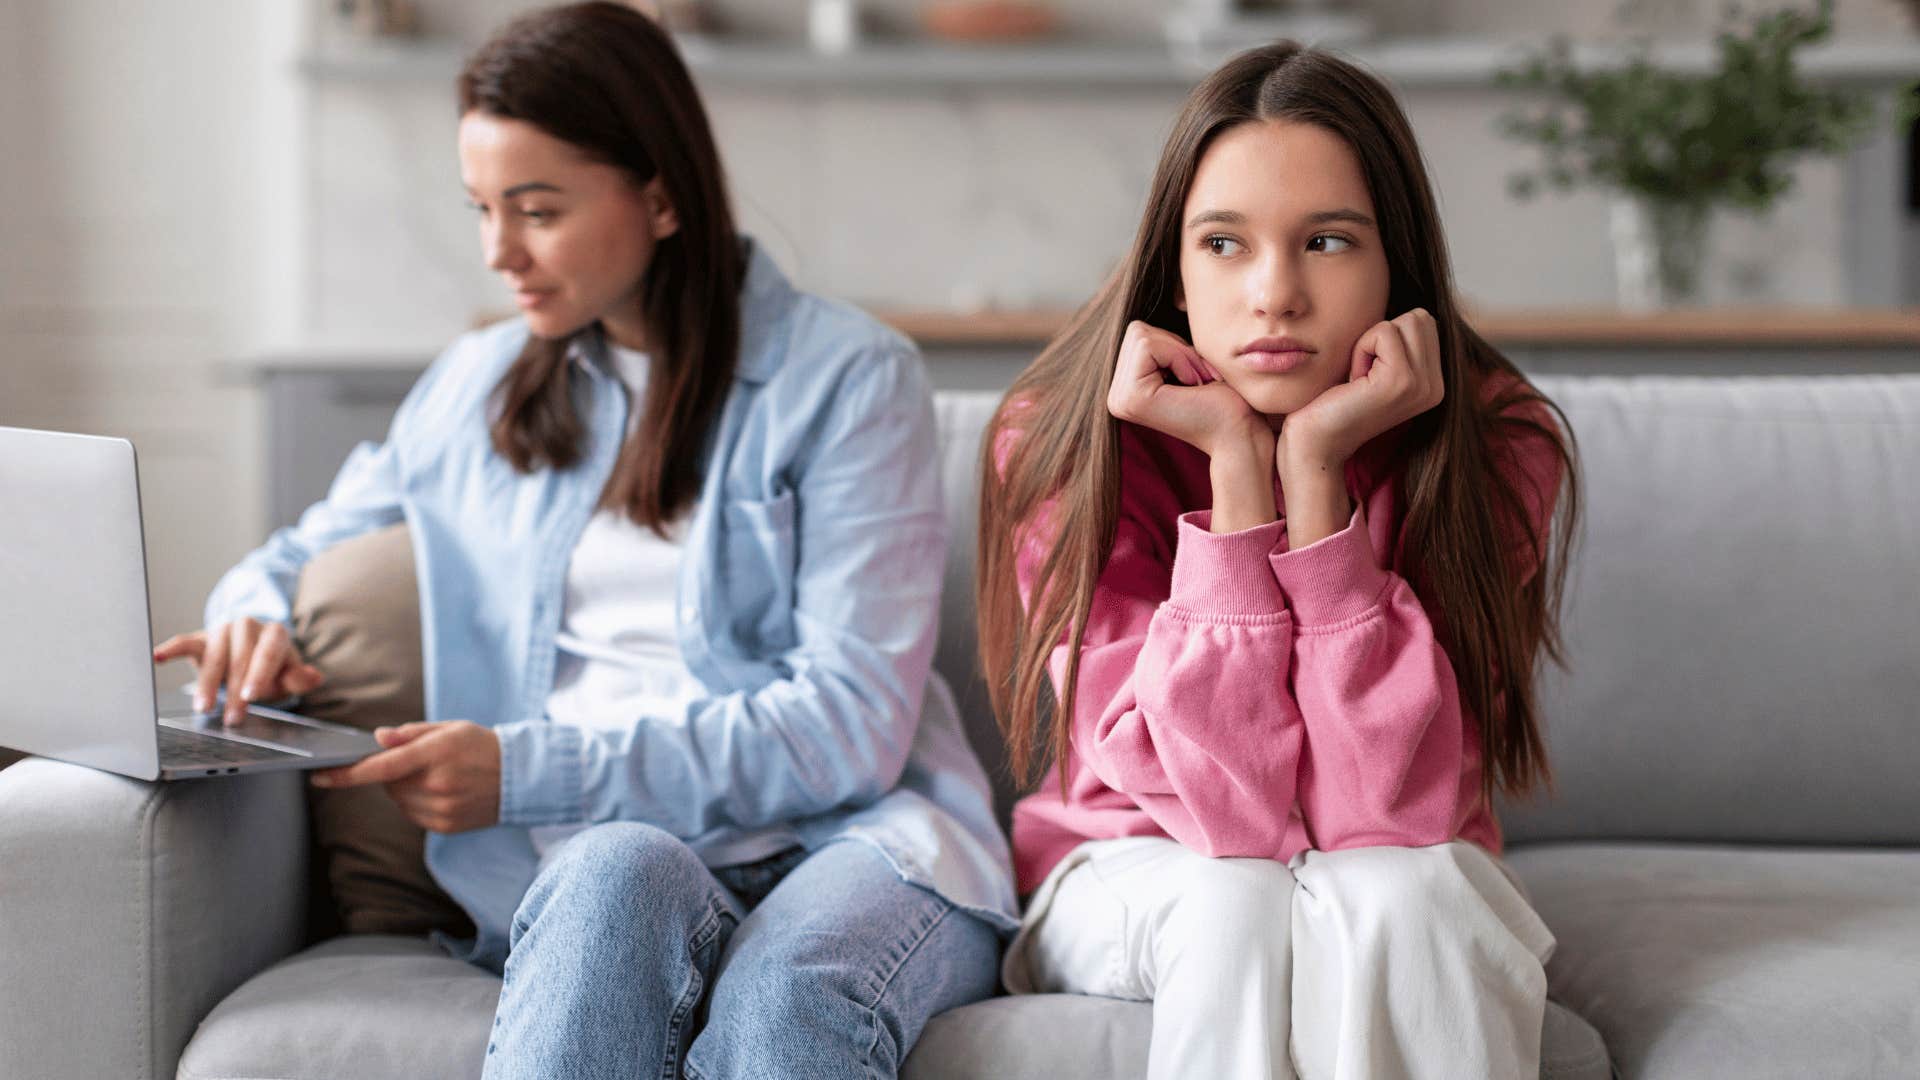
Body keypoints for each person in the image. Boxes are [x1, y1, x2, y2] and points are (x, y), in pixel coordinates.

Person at [153, 4, 1014, 1076]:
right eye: (480, 208)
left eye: (538, 210)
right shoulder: (475, 388)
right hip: (608, 858)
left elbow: (849, 729)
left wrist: (525, 771)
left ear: (658, 194)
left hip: (849, 843)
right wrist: (252, 614)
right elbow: (299, 548)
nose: (498, 253)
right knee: (613, 876)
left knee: (790, 998)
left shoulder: (846, 378)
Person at [975, 41, 1581, 1080]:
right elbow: (1228, 813)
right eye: (1224, 244)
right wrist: (1233, 470)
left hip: (1404, 860)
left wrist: (1314, 472)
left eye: (1329, 242)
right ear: (1173, 263)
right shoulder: (1060, 442)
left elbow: (1387, 814)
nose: (1275, 294)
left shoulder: (1497, 439)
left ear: (1398, 262)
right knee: (1235, 900)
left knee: (1408, 892)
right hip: (1133, 859)